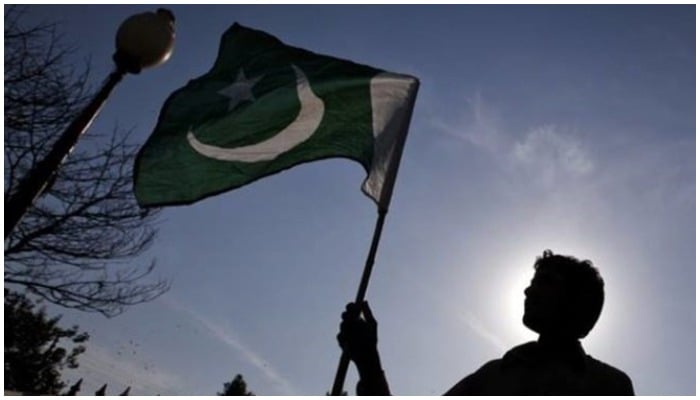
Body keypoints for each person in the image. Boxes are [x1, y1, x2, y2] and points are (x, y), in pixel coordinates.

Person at [337, 250, 635, 395]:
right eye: (532, 282)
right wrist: (368, 362)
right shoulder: (493, 376)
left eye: (547, 282)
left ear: (577, 301)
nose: (529, 290)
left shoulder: (609, 385)